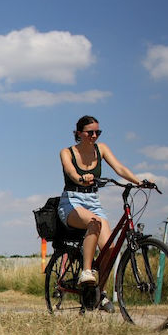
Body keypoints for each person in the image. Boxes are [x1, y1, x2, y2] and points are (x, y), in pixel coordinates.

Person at [58, 115, 143, 296]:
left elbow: (119, 168)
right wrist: (81, 178)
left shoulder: (101, 149)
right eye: (90, 132)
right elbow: (71, 171)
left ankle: (99, 292)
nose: (95, 135)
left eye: (98, 132)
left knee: (110, 250)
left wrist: (139, 182)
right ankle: (86, 272)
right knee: (94, 222)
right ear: (79, 133)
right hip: (72, 202)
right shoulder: (67, 152)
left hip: (93, 201)